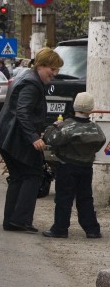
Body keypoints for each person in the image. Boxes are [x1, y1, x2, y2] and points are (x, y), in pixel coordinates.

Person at [0, 47, 63, 233]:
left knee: (18, 177)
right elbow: (22, 112)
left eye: (56, 70)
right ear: (42, 65)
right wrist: (33, 137)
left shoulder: (26, 76)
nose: (54, 74)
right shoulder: (32, 83)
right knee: (32, 175)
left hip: (7, 136)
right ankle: (20, 220)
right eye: (52, 69)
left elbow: (23, 111)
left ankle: (12, 220)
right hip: (16, 138)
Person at [41, 92, 106, 239]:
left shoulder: (66, 126)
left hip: (67, 167)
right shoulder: (96, 128)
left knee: (64, 199)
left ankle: (60, 229)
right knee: (85, 198)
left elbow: (50, 139)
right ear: (91, 109)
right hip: (86, 168)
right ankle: (92, 230)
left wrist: (53, 126)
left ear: (75, 106)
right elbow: (101, 142)